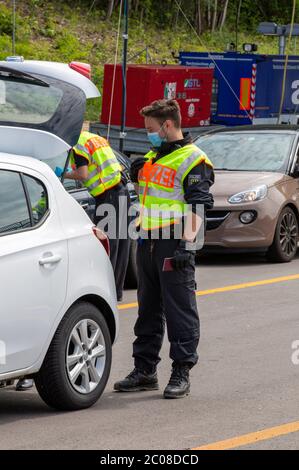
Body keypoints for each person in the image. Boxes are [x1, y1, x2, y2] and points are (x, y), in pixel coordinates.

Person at [114, 99, 214, 399]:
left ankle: (181, 371)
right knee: (148, 309)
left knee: (179, 309)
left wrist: (187, 245)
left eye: (151, 129)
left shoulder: (194, 159)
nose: (149, 134)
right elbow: (152, 194)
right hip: (148, 241)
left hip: (174, 242)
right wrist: (136, 174)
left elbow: (198, 204)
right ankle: (145, 371)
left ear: (167, 125)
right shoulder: (155, 155)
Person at [55, 131, 131, 302]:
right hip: (121, 190)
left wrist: (62, 173)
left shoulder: (77, 145)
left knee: (106, 246)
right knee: (120, 245)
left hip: (108, 195)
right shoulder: (92, 137)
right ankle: (115, 292)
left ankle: (107, 293)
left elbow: (83, 175)